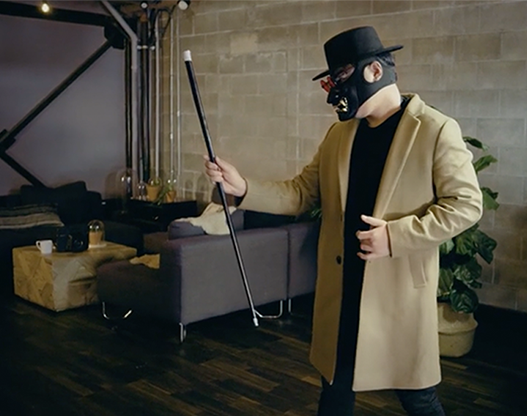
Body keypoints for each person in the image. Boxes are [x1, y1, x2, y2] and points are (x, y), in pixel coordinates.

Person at [205, 26, 482, 416]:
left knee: (418, 397)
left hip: (397, 293)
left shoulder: (435, 129)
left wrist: (396, 237)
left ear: (374, 71)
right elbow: (301, 192)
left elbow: (466, 204)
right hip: (342, 289)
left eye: (341, 77)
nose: (335, 90)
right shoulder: (339, 135)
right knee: (335, 389)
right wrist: (244, 187)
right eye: (331, 81)